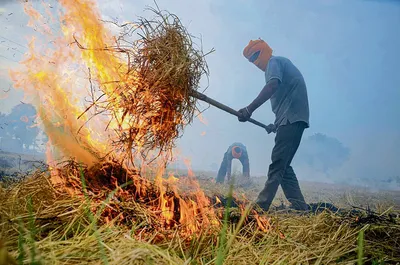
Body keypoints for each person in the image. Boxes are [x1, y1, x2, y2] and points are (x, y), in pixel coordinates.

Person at [237, 39, 310, 211]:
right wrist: (275, 125)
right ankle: (300, 207)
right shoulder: (279, 63)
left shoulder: (274, 62)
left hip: (291, 119)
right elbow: (286, 98)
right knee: (283, 166)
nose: (255, 61)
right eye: (251, 60)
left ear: (264, 50)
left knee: (277, 164)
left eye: (256, 55)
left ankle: (261, 206)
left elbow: (272, 86)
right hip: (289, 120)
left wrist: (249, 109)